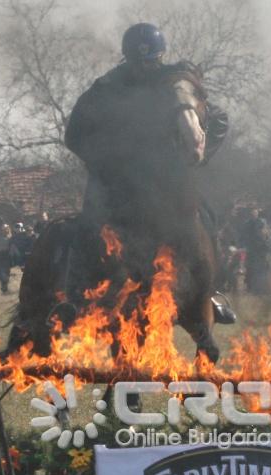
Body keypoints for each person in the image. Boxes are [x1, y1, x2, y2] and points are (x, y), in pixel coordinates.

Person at [64, 22, 235, 323]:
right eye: (138, 61)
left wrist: (198, 157)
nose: (145, 68)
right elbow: (75, 133)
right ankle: (75, 296)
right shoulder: (106, 88)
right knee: (89, 226)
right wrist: (106, 163)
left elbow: (218, 119)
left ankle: (210, 292)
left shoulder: (174, 82)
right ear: (127, 59)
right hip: (115, 183)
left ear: (160, 56)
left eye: (150, 60)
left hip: (163, 182)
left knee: (207, 218)